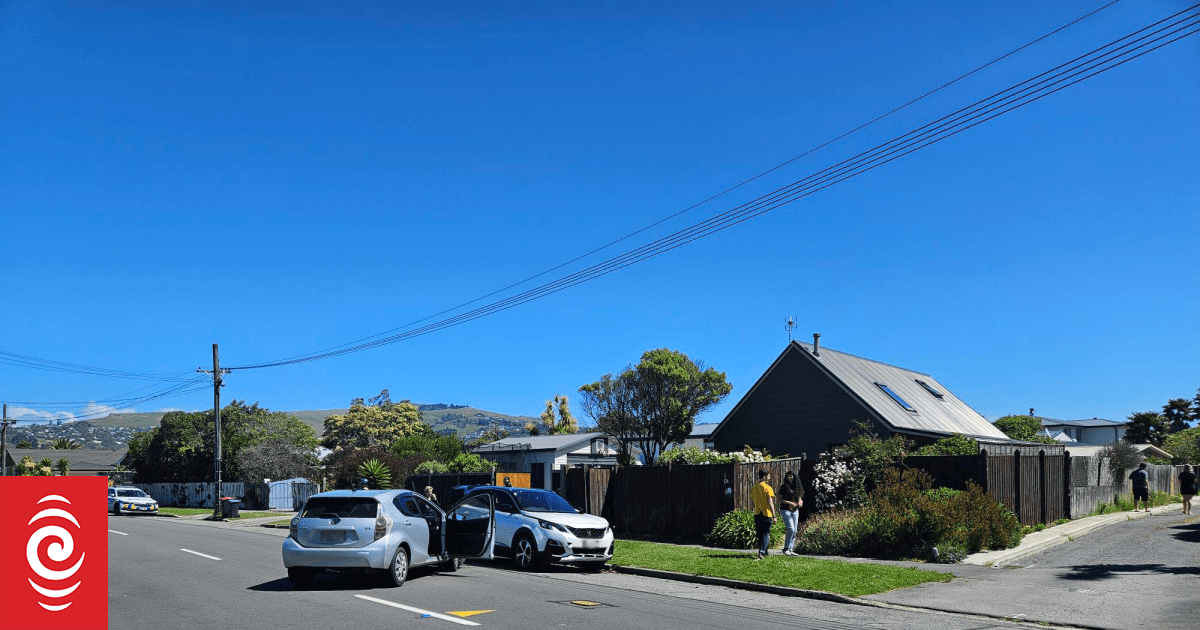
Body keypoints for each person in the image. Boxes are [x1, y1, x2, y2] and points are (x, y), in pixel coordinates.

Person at [777, 470, 803, 556]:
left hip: (795, 510)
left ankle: (790, 549)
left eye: (791, 476)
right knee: (790, 529)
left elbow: (799, 497)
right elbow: (779, 499)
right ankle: (786, 549)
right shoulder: (784, 487)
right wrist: (790, 503)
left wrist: (800, 502)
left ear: (794, 477)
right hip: (785, 510)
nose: (789, 478)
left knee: (794, 531)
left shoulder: (797, 486)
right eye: (788, 476)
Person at [751, 469, 776, 560]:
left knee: (760, 533)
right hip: (766, 513)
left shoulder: (754, 488)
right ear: (764, 476)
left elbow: (753, 501)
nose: (769, 477)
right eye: (768, 475)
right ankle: (761, 552)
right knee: (766, 533)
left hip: (757, 512)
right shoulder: (768, 488)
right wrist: (774, 515)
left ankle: (765, 551)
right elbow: (770, 502)